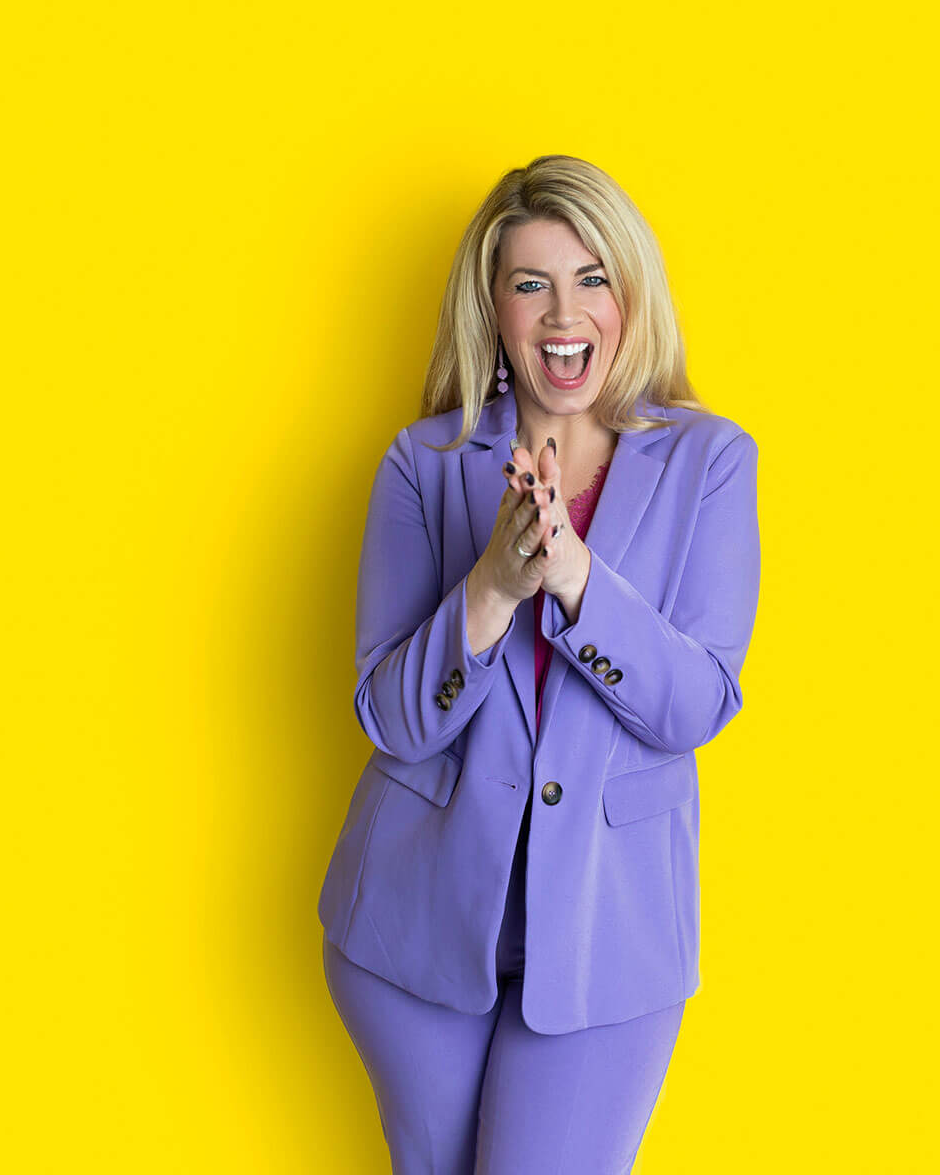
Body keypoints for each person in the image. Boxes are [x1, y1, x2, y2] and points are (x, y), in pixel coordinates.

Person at [318, 154, 761, 1173]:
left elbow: (697, 701)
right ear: (495, 311)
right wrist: (492, 587)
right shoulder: (424, 465)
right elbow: (389, 716)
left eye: (592, 276)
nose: (565, 312)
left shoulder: (711, 463)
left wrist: (572, 574)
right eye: (531, 283)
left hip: (611, 943)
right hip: (412, 937)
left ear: (631, 294)